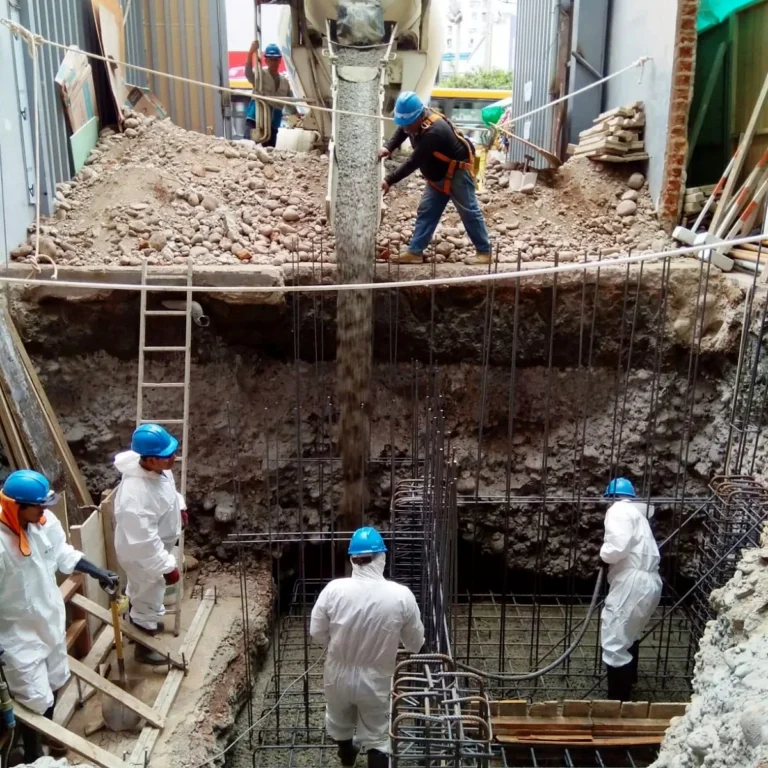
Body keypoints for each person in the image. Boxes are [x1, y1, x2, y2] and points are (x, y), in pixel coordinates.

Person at [0, 470, 117, 761]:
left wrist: (98, 572)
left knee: (54, 682)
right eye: (38, 506)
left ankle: (51, 737)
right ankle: (32, 755)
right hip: (17, 636)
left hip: (49, 623)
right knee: (33, 698)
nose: (44, 510)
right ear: (17, 506)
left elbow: (63, 553)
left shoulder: (42, 522)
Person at [310, 527, 424, 768]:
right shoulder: (401, 596)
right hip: (376, 679)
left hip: (337, 675)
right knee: (378, 736)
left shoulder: (333, 590)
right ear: (382, 557)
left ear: (353, 559)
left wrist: (338, 644)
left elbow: (316, 632)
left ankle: (347, 755)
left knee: (339, 721)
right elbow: (415, 643)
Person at [379, 91, 492, 265]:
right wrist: (388, 147)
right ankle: (415, 252)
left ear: (419, 117)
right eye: (403, 123)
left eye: (408, 124)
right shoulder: (413, 121)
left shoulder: (435, 131)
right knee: (427, 211)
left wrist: (389, 180)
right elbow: (402, 130)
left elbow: (413, 162)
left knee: (469, 211)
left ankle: (484, 252)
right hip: (436, 174)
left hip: (457, 172)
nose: (406, 128)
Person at [113, 424, 187, 665]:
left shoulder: (158, 469)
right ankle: (144, 646)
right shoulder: (135, 496)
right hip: (141, 555)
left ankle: (140, 621)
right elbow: (144, 541)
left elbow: (168, 491)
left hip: (155, 546)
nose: (174, 457)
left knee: (144, 590)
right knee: (149, 592)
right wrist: (167, 566)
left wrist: (180, 507)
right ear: (151, 459)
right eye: (168, 455)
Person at [600, 477, 662, 702]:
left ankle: (618, 701)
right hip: (651, 581)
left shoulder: (618, 510)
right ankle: (630, 683)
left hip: (632, 582)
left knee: (615, 639)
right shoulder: (639, 516)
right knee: (631, 633)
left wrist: (604, 555)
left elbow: (618, 546)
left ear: (612, 497)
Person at [244, 42, 298, 147]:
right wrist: (251, 53)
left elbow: (290, 103)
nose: (273, 62)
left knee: (269, 152)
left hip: (273, 125)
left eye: (276, 59)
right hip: (255, 120)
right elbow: (248, 74)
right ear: (266, 61)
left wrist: (296, 116)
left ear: (279, 60)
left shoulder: (284, 82)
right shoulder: (260, 74)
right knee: (249, 148)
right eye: (271, 59)